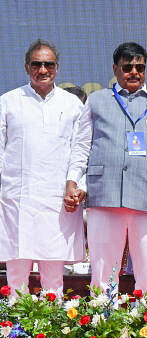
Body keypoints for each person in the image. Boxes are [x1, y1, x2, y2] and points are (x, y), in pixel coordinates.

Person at [69, 42, 147, 292]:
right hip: (104, 193)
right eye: (127, 67)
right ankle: (105, 326)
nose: (134, 72)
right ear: (115, 69)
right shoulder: (97, 100)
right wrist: (76, 181)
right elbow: (81, 145)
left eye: (139, 67)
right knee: (103, 270)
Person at [0, 40, 87, 296]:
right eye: (36, 64)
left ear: (57, 68)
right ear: (27, 67)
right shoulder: (8, 102)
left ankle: (54, 330)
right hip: (18, 199)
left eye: (48, 64)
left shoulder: (72, 105)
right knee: (16, 274)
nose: (42, 69)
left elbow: (81, 150)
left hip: (56, 199)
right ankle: (14, 330)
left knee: (53, 278)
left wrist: (76, 184)